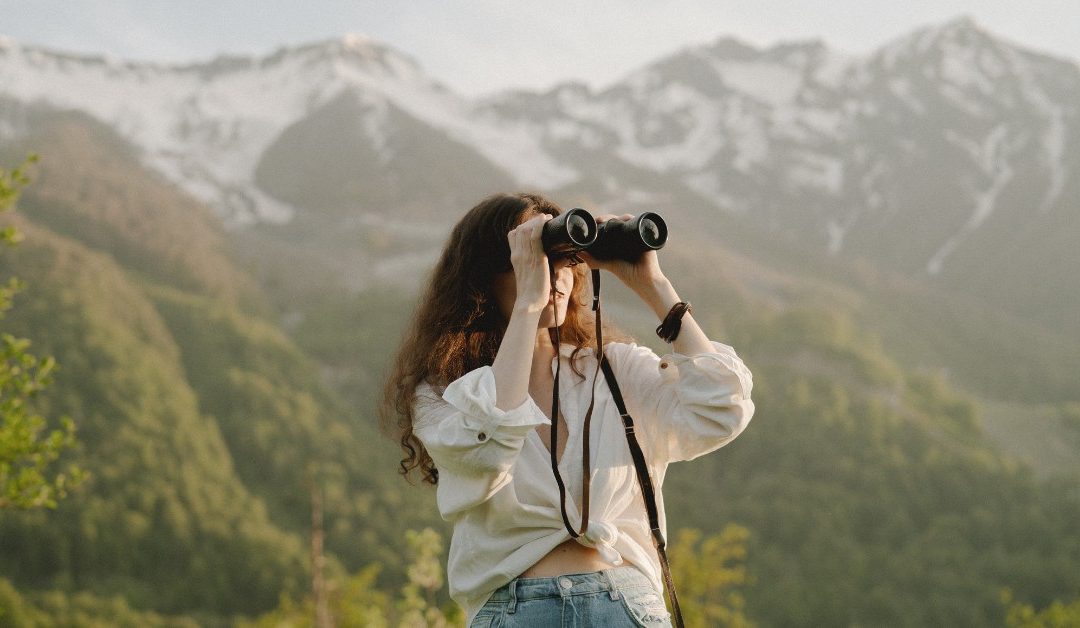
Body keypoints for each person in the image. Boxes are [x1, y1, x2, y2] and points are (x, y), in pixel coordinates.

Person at [380, 192, 754, 627]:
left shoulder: (614, 370)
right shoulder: (445, 394)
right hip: (516, 610)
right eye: (537, 257)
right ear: (486, 273)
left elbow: (721, 407)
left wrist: (653, 285)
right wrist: (528, 305)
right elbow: (487, 449)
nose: (555, 274)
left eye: (564, 259)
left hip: (627, 606)